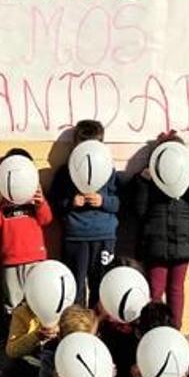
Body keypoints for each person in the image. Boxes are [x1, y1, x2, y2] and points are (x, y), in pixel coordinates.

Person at [131, 131, 189, 328]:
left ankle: (174, 329)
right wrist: (143, 182)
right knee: (155, 289)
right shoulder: (148, 179)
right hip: (155, 244)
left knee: (176, 289)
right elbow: (138, 210)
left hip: (183, 243)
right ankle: (152, 328)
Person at [48, 120, 120, 307]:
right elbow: (54, 203)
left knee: (101, 286)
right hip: (75, 236)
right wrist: (71, 202)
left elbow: (120, 202)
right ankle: (77, 328)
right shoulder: (65, 172)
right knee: (75, 286)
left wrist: (103, 201)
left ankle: (99, 329)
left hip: (103, 235)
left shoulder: (109, 171)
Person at [0, 148, 52, 309]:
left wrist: (41, 203)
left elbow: (46, 219)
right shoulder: (3, 204)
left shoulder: (34, 198)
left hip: (35, 258)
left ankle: (38, 333)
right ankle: (14, 332)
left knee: (38, 299)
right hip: (11, 259)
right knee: (13, 303)